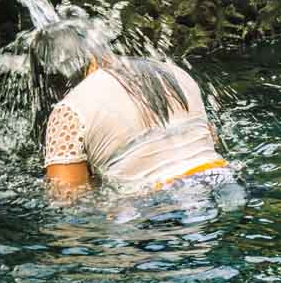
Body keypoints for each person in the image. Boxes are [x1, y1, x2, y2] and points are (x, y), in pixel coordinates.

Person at [29, 16, 228, 197]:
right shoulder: (173, 72)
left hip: (154, 205)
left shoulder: (69, 109)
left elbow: (68, 199)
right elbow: (211, 139)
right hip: (223, 181)